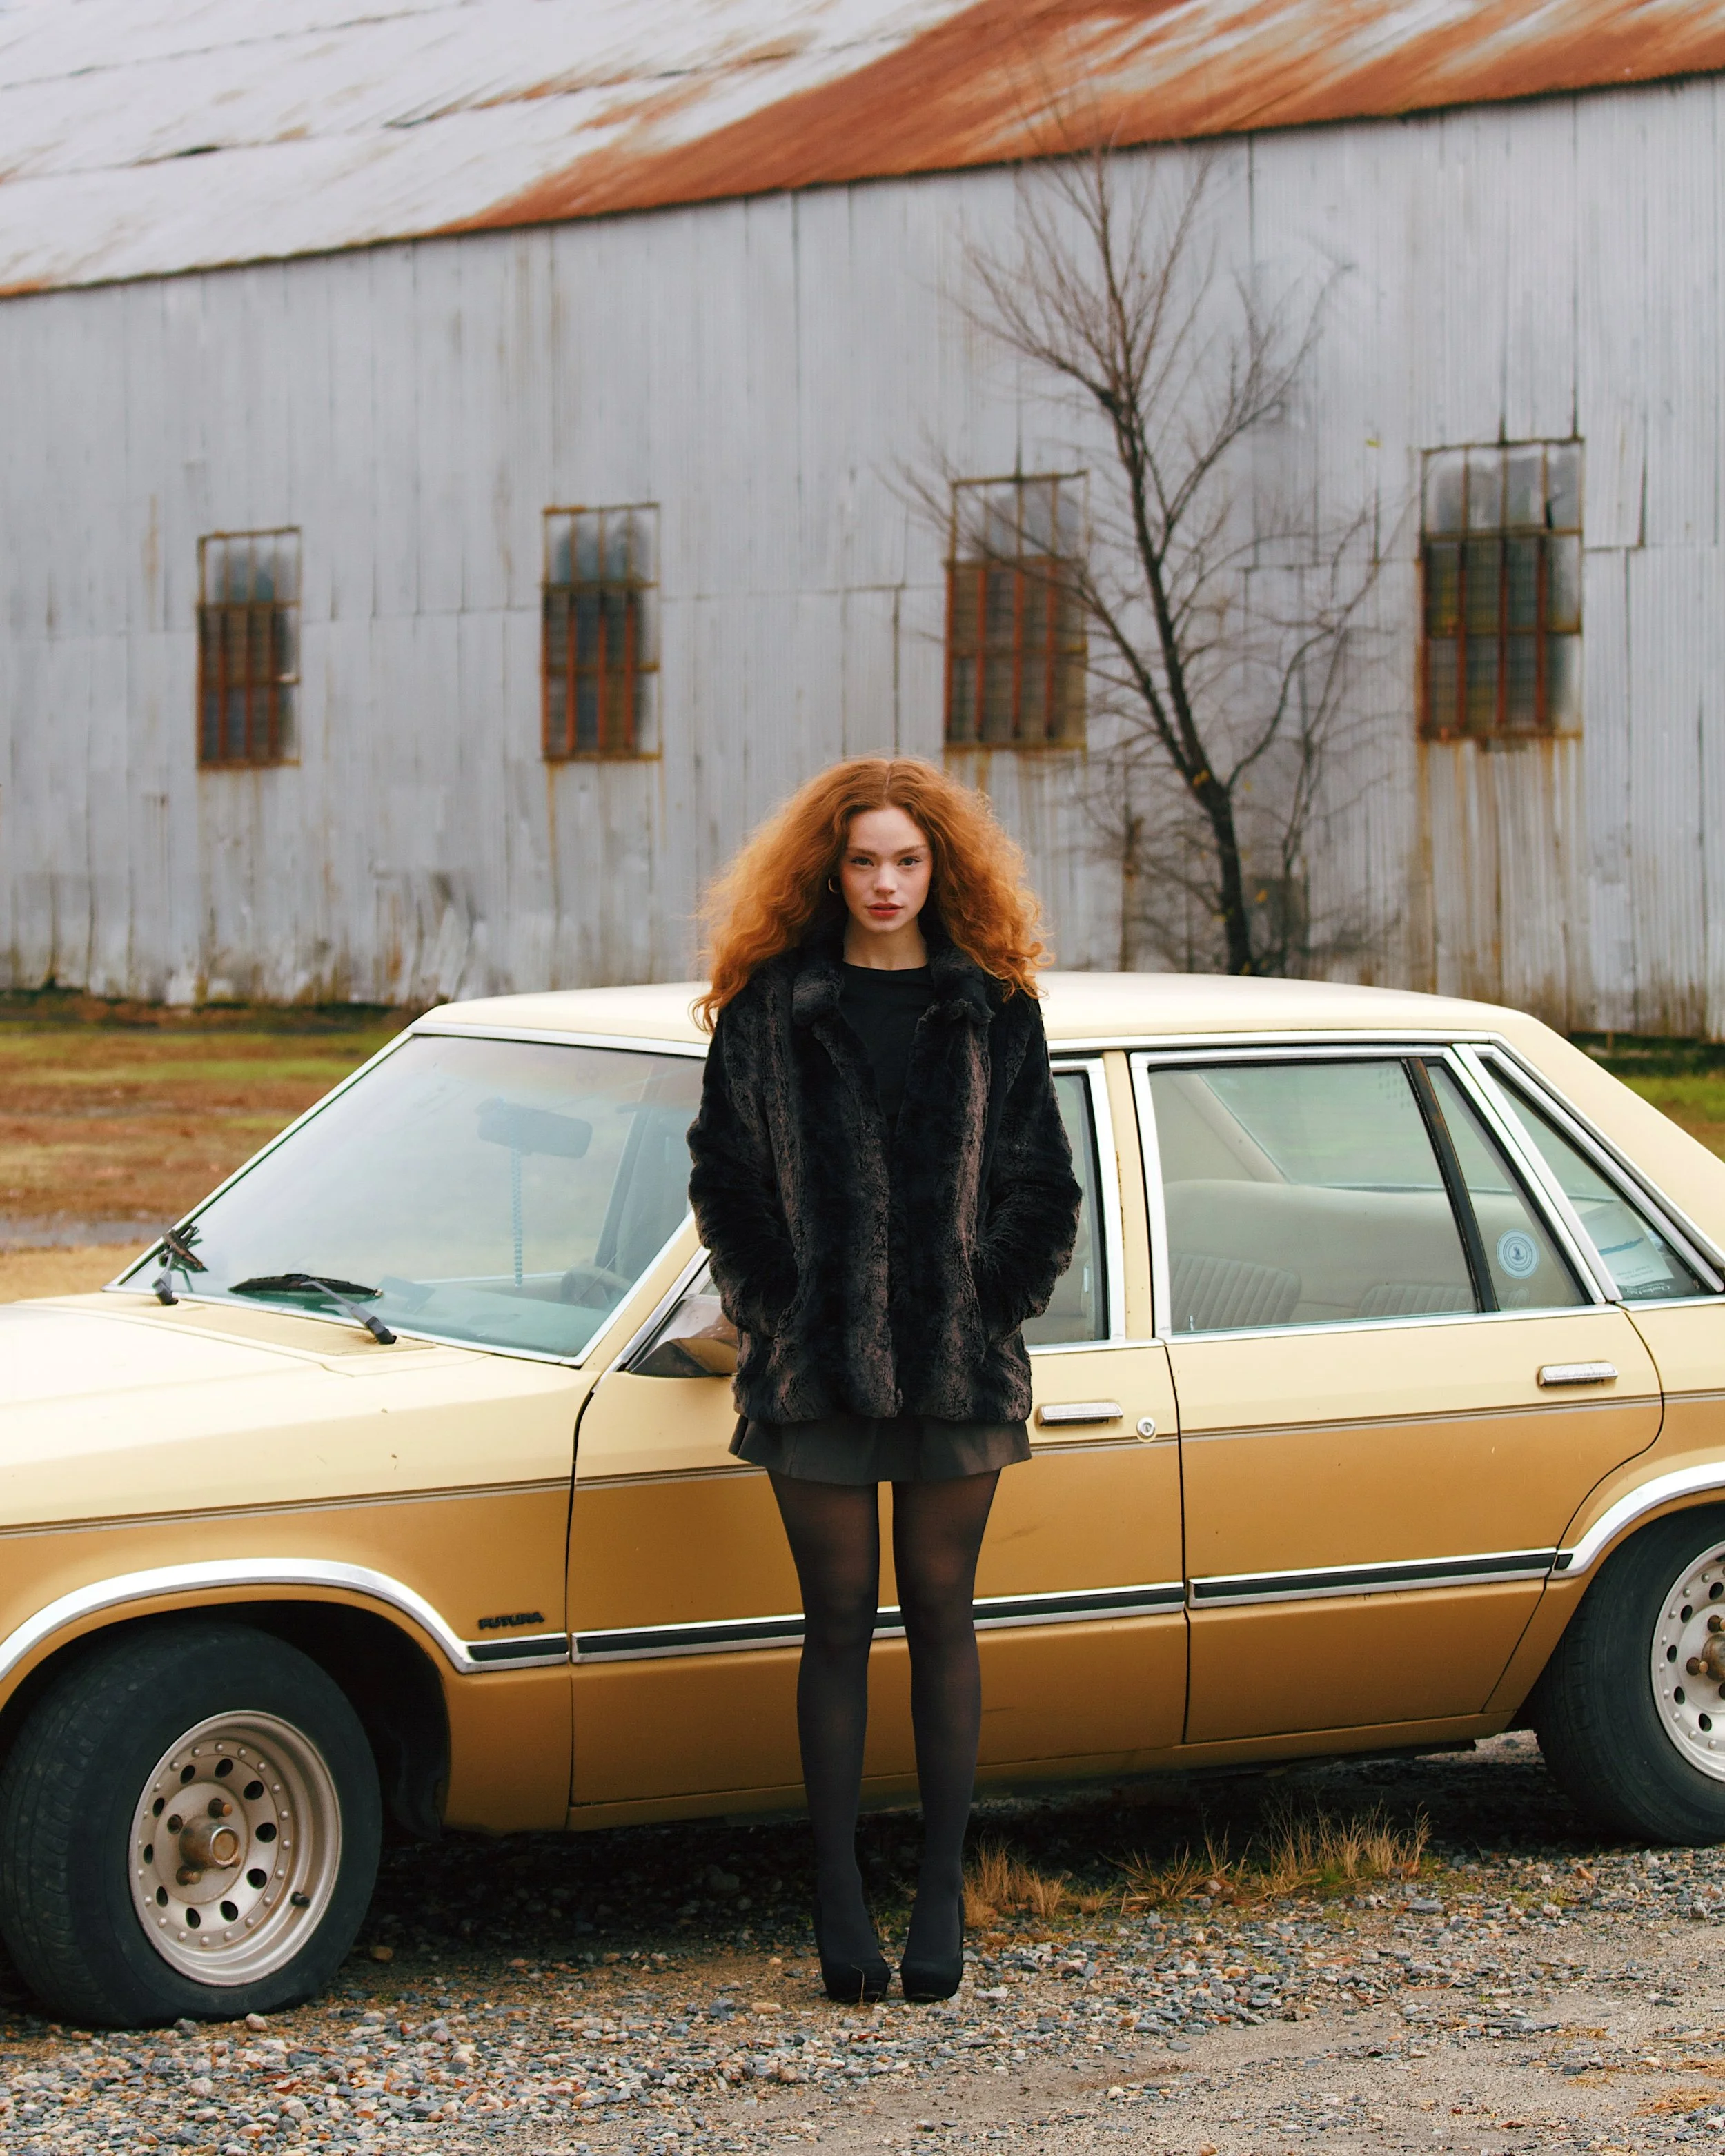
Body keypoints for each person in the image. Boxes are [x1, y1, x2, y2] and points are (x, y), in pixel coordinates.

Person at [687, 757, 1081, 2005]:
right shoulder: (769, 1011)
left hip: (958, 1375)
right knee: (838, 1627)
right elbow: (724, 1178)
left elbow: (1045, 1186)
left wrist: (987, 1293)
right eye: (864, 860)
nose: (886, 883)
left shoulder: (994, 1007)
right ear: (829, 869)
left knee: (945, 1619)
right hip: (815, 1377)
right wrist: (778, 1303)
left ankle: (939, 1902)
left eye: (908, 860)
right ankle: (838, 1902)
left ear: (941, 869)